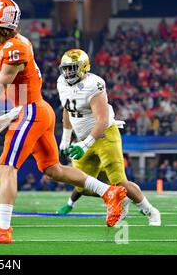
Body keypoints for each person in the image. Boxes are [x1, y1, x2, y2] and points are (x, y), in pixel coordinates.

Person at [0, 0, 127, 244]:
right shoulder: (2, 42)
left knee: (6, 167)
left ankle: (3, 229)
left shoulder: (15, 49)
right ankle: (109, 192)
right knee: (53, 170)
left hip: (30, 112)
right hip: (36, 110)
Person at [56, 49, 161, 226]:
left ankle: (151, 211)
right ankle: (122, 197)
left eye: (72, 68)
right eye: (65, 69)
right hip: (82, 139)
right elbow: (67, 109)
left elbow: (103, 120)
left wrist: (85, 144)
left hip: (104, 135)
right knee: (82, 185)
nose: (68, 73)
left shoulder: (94, 84)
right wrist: (66, 139)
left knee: (118, 180)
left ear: (83, 67)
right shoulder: (62, 82)